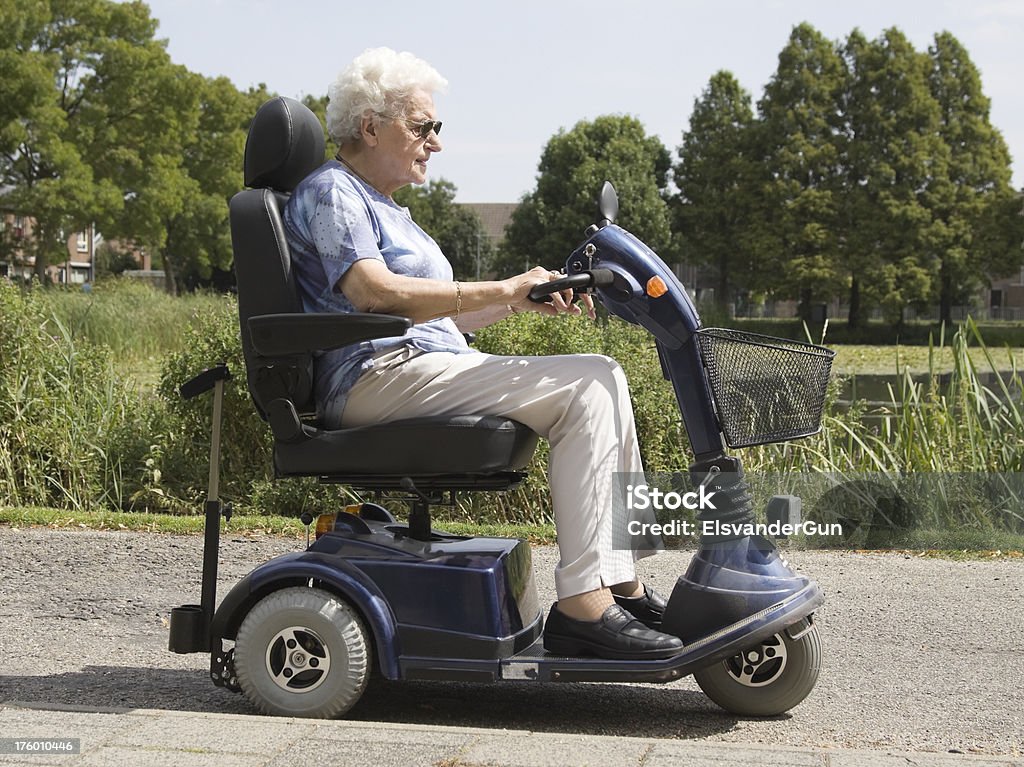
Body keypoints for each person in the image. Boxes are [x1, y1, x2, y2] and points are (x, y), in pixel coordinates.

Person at [283, 47, 683, 660]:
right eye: (422, 126)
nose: (435, 142)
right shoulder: (336, 191)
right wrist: (500, 288)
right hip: (374, 374)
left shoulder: (390, 209)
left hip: (416, 366)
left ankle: (619, 588)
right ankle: (584, 606)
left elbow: (443, 310)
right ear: (370, 126)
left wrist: (524, 297)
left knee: (604, 379)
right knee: (591, 382)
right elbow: (373, 293)